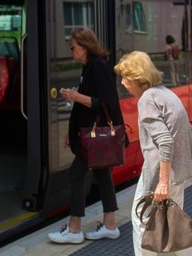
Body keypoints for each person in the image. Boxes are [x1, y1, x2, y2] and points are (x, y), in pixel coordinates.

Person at [115, 51, 192, 256]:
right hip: (178, 172)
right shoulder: (166, 93)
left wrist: (162, 182)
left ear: (137, 78)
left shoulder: (147, 100)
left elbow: (165, 141)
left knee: (142, 221)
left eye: (125, 77)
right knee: (172, 222)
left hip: (161, 174)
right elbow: (187, 129)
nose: (123, 83)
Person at [49, 27, 124, 244]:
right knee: (102, 176)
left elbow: (106, 103)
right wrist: (73, 133)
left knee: (75, 175)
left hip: (95, 138)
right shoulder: (90, 66)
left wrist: (76, 96)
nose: (71, 51)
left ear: (84, 46)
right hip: (91, 136)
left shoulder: (98, 66)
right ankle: (110, 225)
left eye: (73, 47)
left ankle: (74, 230)